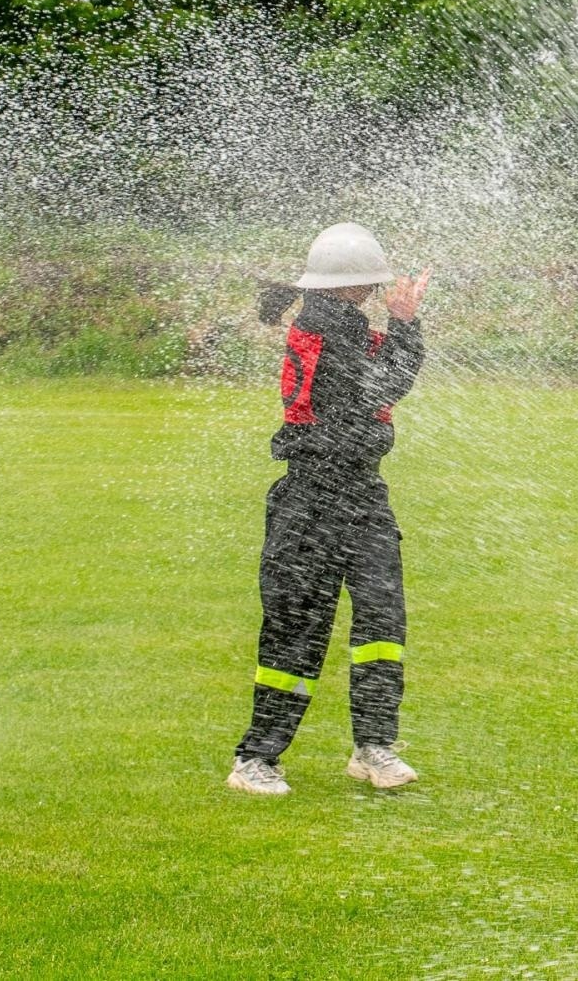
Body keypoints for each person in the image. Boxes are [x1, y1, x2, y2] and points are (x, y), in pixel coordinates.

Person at [228, 222, 432, 796]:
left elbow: (384, 375)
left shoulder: (344, 325)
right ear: (350, 285)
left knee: (382, 622)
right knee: (297, 627)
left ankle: (374, 747)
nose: (374, 291)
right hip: (311, 499)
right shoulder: (321, 331)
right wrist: (406, 323)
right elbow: (384, 386)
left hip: (362, 493)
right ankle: (255, 759)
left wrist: (403, 326)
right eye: (370, 283)